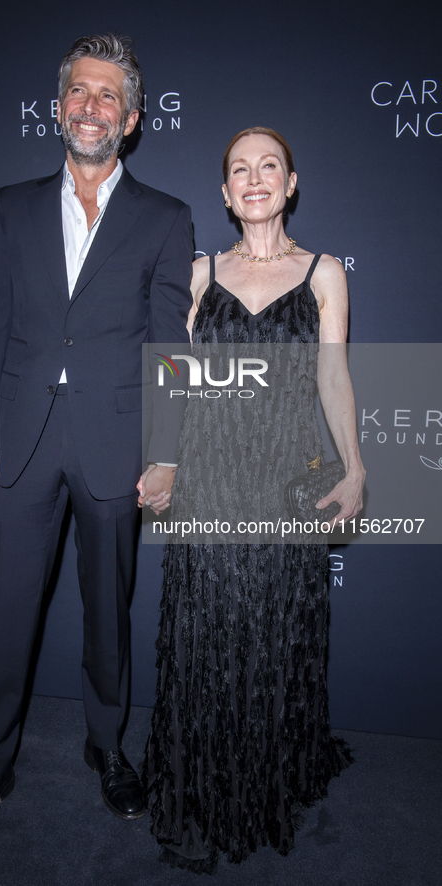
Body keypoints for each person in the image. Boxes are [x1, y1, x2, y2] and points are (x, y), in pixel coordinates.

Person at [0, 33, 192, 861]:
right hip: (19, 444)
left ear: (132, 117)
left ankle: (106, 747)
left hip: (116, 446)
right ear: (59, 108)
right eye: (78, 93)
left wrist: (163, 452)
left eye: (107, 95)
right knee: (8, 617)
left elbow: (168, 345)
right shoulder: (8, 205)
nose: (90, 106)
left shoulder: (166, 216)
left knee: (107, 617)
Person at [142, 127, 365, 871]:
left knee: (275, 630)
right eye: (240, 169)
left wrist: (354, 468)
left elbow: (332, 379)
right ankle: (206, 791)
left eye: (269, 165)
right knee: (209, 634)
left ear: (291, 182)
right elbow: (170, 374)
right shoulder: (199, 271)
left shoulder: (324, 272)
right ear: (226, 193)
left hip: (285, 480)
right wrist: (163, 462)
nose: (255, 178)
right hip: (209, 474)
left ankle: (271, 770)